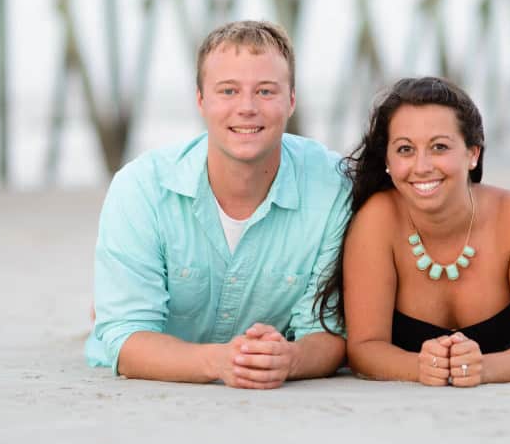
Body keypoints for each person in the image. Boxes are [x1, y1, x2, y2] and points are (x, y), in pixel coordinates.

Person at [86, 20, 351, 388]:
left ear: (291, 100)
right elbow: (126, 339)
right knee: (113, 314)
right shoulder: (141, 188)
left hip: (270, 361)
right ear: (200, 100)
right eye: (228, 91)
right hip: (163, 367)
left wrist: (291, 359)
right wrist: (219, 361)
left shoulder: (332, 188)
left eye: (265, 91)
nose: (246, 107)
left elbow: (328, 332)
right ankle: (107, 301)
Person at [313, 77, 510, 387]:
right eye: (405, 149)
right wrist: (420, 367)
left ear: (472, 153)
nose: (422, 166)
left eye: (439, 147)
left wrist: (482, 368)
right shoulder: (378, 220)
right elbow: (365, 349)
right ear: (388, 161)